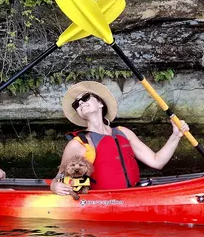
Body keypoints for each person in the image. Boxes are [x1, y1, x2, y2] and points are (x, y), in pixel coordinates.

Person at [51, 81, 189, 195]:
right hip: (103, 201)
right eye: (76, 104)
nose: (80, 103)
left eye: (85, 98)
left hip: (134, 195)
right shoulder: (79, 143)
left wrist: (176, 135)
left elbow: (157, 161)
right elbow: (59, 178)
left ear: (100, 103)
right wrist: (54, 187)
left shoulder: (124, 133)